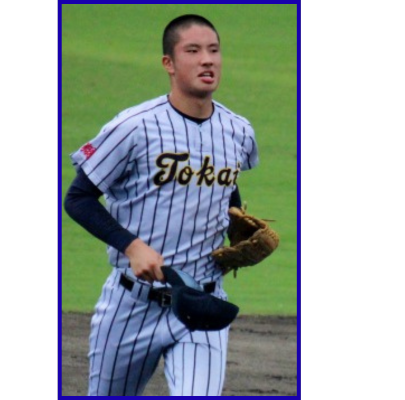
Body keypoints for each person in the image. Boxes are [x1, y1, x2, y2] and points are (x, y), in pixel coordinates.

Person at [64, 14, 259, 396]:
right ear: (169, 63)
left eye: (214, 50)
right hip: (130, 305)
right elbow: (78, 198)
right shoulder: (133, 127)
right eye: (193, 51)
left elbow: (225, 186)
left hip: (201, 302)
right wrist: (131, 246)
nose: (207, 60)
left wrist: (236, 230)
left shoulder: (239, 131)